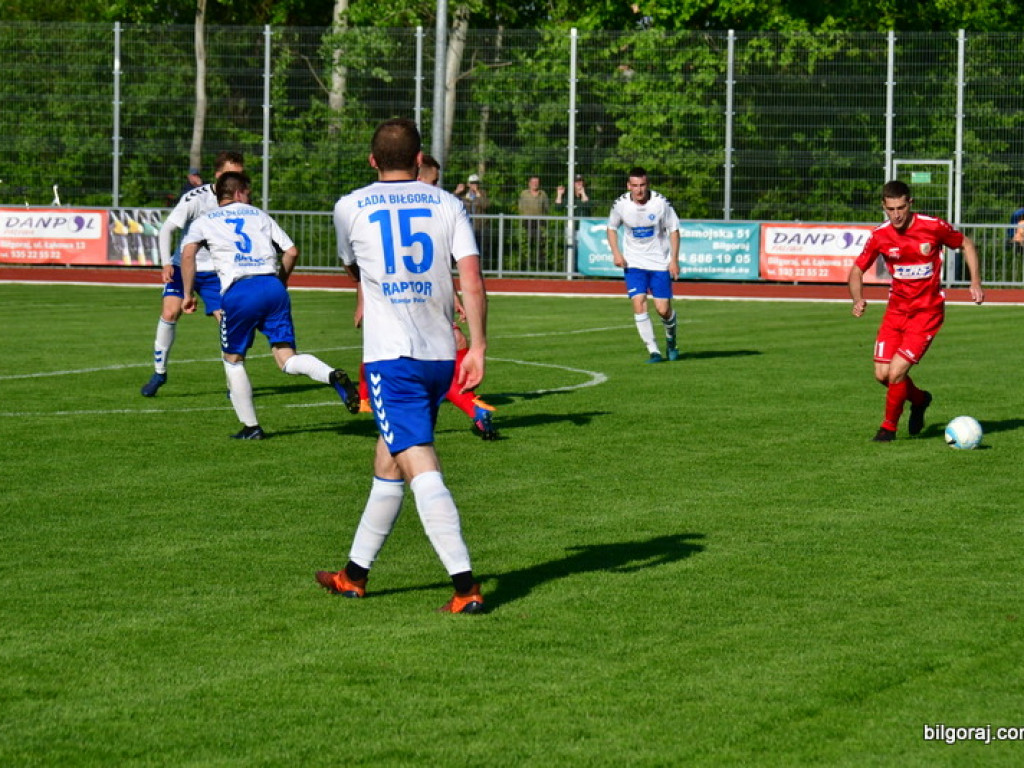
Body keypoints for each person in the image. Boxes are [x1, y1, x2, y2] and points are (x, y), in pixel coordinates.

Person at [322, 117, 488, 614]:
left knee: (420, 465)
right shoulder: (448, 203)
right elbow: (472, 279)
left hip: (392, 356)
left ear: (372, 160)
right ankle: (353, 574)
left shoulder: (349, 206)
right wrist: (477, 347)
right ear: (420, 161)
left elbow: (352, 266)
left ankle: (466, 588)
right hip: (440, 355)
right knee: (387, 459)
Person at [179, 171, 360, 440]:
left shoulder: (204, 220)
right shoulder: (258, 215)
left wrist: (187, 294)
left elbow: (188, 253)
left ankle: (251, 427)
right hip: (272, 286)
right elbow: (292, 251)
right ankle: (331, 375)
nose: (250, 197)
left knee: (233, 360)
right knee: (286, 358)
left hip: (239, 290)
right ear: (239, 192)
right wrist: (281, 282)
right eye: (248, 193)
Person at [352, 158, 499, 440]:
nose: (435, 188)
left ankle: (368, 400)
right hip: (415, 304)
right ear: (417, 177)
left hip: (406, 304)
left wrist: (453, 296)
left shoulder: (378, 206)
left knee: (399, 359)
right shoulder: (431, 209)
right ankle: (471, 408)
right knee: (438, 358)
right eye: (432, 183)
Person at [848, 179, 985, 442]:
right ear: (883, 206)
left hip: (926, 313)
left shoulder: (932, 227)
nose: (896, 215)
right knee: (881, 375)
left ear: (910, 203)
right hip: (896, 312)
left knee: (897, 372)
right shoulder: (880, 236)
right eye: (891, 209)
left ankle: (888, 428)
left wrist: (975, 281)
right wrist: (857, 298)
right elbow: (856, 270)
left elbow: (966, 244)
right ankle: (921, 400)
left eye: (901, 208)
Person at [141, 150, 244, 397]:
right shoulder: (196, 198)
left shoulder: (241, 201)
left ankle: (234, 382)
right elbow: (167, 228)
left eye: (239, 175)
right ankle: (159, 372)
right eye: (231, 174)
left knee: (227, 322)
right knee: (170, 311)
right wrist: (166, 263)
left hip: (215, 271)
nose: (235, 180)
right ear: (218, 174)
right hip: (182, 265)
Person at [606, 166, 681, 363]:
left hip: (658, 262)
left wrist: (674, 260)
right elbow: (611, 228)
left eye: (642, 185)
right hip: (634, 262)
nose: (639, 190)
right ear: (628, 186)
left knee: (663, 310)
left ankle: (671, 340)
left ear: (647, 185)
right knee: (638, 303)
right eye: (635, 186)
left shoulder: (660, 203)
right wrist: (616, 253)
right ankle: (654, 351)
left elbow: (673, 230)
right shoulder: (620, 205)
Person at [518, 174, 549, 267]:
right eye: (533, 182)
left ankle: (541, 265)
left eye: (537, 182)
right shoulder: (524, 194)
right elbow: (520, 207)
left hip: (540, 222)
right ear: (529, 183)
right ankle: (526, 264)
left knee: (541, 243)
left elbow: (546, 208)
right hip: (527, 221)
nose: (535, 184)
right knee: (528, 243)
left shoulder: (543, 194)